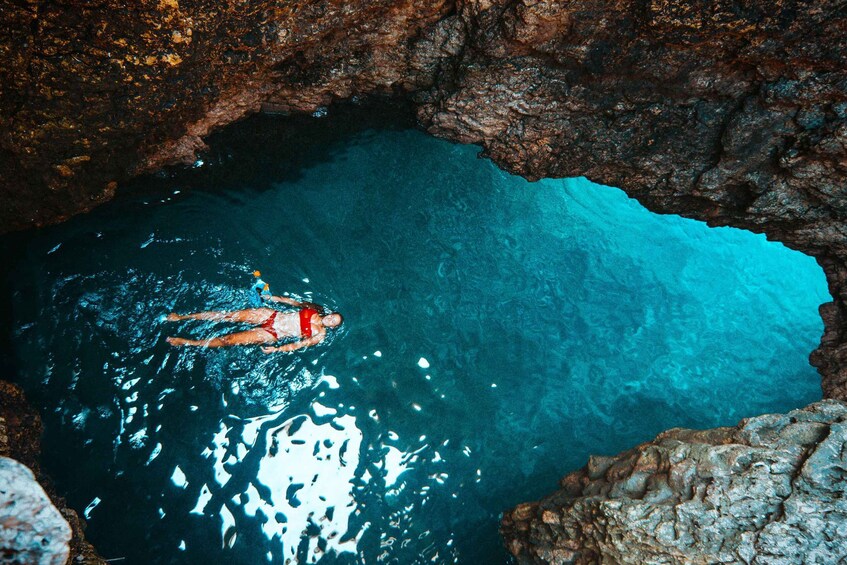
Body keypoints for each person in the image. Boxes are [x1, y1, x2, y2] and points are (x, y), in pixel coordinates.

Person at [164, 294, 343, 353]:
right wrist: (272, 297)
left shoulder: (320, 335)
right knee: (227, 316)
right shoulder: (314, 309)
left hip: (273, 334)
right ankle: (181, 317)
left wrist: (277, 349)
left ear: (333, 326)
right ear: (329, 314)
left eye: (333, 322)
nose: (330, 319)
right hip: (270, 315)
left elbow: (299, 344)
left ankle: (188, 342)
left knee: (229, 339)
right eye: (331, 316)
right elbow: (292, 303)